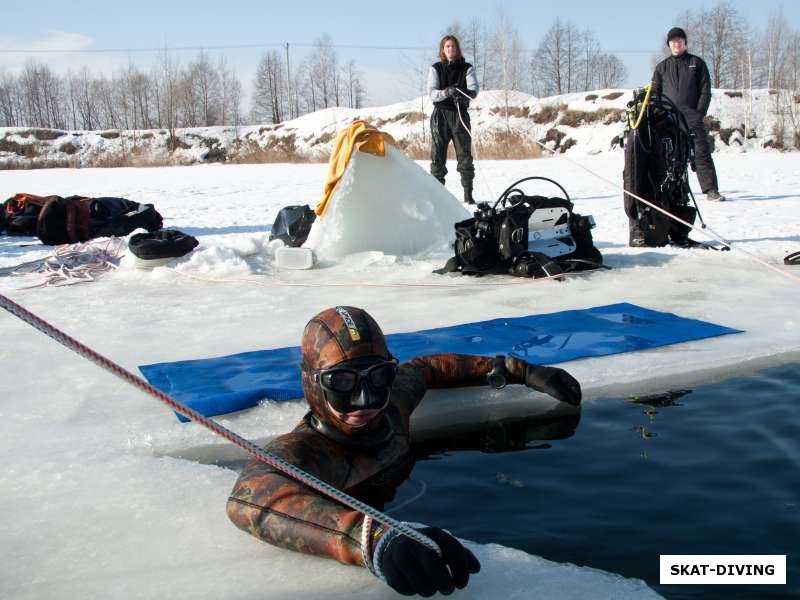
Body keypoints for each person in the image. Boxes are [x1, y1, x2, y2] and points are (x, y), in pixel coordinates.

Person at [227, 306, 581, 597]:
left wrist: (519, 370)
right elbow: (250, 498)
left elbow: (425, 369)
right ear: (313, 383)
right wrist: (372, 539)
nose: (365, 400)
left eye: (378, 378)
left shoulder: (391, 410)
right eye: (343, 383)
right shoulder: (308, 448)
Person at [651, 27, 726, 202]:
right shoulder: (662, 67)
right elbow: (655, 93)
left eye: (680, 40)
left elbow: (705, 90)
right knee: (673, 156)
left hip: (691, 116)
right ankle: (677, 192)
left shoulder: (697, 63)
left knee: (701, 152)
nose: (676, 44)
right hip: (669, 118)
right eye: (673, 41)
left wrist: (699, 112)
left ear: (685, 43)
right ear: (669, 45)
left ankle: (711, 190)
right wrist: (659, 112)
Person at [428, 35, 480, 205]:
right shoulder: (435, 68)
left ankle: (468, 194)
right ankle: (437, 196)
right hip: (440, 117)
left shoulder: (467, 68)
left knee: (465, 156)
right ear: (443, 50)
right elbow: (432, 94)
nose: (450, 49)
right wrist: (446, 92)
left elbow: (473, 90)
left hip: (460, 116)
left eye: (453, 46)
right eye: (447, 46)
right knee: (437, 157)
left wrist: (464, 95)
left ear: (457, 49)